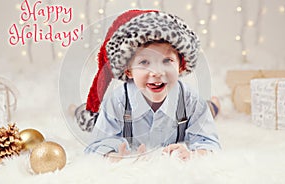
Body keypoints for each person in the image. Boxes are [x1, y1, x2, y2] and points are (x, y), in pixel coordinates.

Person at [78, 10, 221, 162]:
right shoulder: (118, 101)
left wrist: (193, 154)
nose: (157, 72)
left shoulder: (191, 101)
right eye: (144, 62)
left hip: (189, 108)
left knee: (207, 109)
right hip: (112, 114)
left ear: (180, 66)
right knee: (88, 117)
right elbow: (95, 146)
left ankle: (214, 105)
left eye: (167, 61)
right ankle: (75, 109)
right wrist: (113, 155)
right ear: (129, 70)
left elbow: (211, 144)